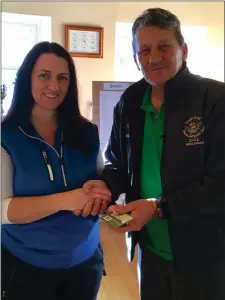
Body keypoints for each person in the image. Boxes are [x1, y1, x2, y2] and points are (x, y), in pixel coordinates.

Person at [98, 7, 225, 300]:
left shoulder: (215, 100)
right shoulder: (129, 102)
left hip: (206, 254)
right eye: (144, 50)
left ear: (184, 49)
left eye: (164, 47)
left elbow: (220, 185)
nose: (154, 58)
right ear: (135, 59)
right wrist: (104, 188)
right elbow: (117, 161)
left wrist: (158, 207)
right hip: (151, 251)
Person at [1, 41, 111, 300]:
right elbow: (3, 210)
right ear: (27, 79)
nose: (54, 86)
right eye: (44, 76)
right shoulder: (6, 136)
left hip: (85, 263)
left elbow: (99, 177)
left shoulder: (87, 132)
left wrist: (102, 189)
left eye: (62, 78)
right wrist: (65, 200)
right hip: (27, 267)